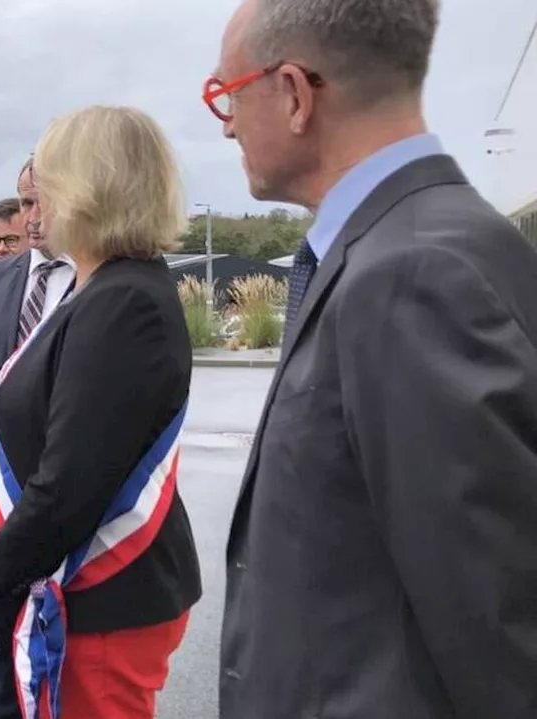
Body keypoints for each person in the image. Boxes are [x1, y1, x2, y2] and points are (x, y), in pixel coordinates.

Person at [212, 1, 537, 717]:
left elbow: (501, 639)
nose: (226, 121)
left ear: (294, 93)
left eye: (224, 95)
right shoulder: (421, 245)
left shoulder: (413, 276)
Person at [0, 105, 201, 718]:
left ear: (92, 186)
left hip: (103, 604)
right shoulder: (108, 287)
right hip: (75, 591)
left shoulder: (123, 303)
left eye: (48, 186)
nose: (34, 206)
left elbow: (71, 483)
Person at [0, 172, 75, 526]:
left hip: (68, 497)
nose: (33, 216)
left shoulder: (99, 279)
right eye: (25, 203)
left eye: (44, 202)